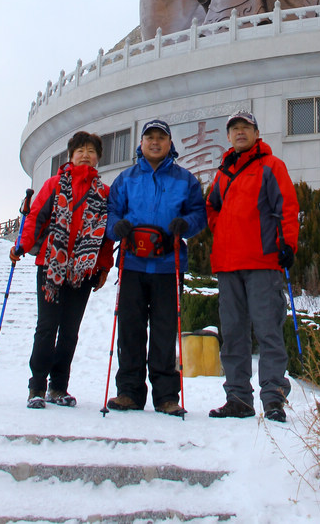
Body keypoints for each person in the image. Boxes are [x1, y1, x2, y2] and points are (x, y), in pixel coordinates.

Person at [105, 118, 207, 416]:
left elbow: (199, 213)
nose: (154, 142)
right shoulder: (126, 178)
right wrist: (116, 227)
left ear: (169, 143)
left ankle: (166, 396)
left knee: (164, 332)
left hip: (167, 266)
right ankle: (129, 393)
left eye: (160, 137)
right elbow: (111, 211)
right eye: (149, 137)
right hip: (133, 265)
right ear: (141, 143)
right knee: (130, 330)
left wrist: (185, 224)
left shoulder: (185, 180)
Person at [206, 111, 299, 422]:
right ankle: (238, 398)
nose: (240, 132)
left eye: (246, 127)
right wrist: (222, 232)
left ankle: (273, 398)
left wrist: (288, 244)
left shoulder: (272, 167)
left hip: (263, 262)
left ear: (257, 133)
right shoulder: (222, 174)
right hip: (228, 266)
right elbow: (211, 207)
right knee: (232, 333)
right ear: (229, 137)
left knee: (268, 330)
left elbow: (287, 206)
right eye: (234, 129)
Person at [10, 130, 113, 408]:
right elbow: (35, 217)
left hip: (83, 271)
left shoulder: (104, 193)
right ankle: (36, 387)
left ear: (98, 159)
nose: (86, 155)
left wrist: (104, 266)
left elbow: (107, 236)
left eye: (91, 151)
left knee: (69, 330)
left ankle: (59, 387)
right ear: (71, 156)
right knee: (46, 327)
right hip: (51, 265)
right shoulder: (54, 184)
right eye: (80, 150)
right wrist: (22, 245)